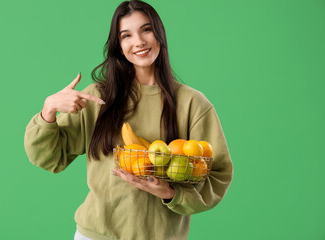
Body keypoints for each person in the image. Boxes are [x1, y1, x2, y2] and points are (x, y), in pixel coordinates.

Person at [24, 0, 233, 239]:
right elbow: (49, 158)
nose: (139, 42)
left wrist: (170, 193)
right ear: (119, 47)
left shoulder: (193, 104)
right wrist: (48, 111)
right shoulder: (98, 97)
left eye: (146, 30)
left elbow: (218, 175)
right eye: (126, 35)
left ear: (160, 34)